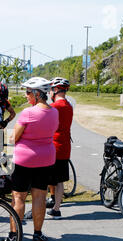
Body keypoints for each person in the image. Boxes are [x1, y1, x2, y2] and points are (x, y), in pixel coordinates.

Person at [5, 77, 59, 241]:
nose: (26, 95)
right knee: (40, 197)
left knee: (18, 197)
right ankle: (37, 234)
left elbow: (14, 138)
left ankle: (14, 236)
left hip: (25, 160)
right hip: (46, 160)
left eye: (28, 92)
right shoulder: (54, 112)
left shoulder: (28, 113)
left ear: (37, 94)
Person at [46, 77, 73, 220]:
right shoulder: (69, 106)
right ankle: (56, 208)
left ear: (55, 90)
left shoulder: (54, 107)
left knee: (44, 178)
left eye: (51, 89)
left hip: (53, 146)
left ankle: (39, 207)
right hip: (65, 147)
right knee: (60, 180)